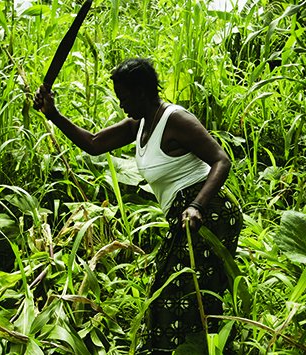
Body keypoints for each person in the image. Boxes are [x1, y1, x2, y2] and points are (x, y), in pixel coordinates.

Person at [34, 58, 242, 353]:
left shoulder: (175, 120)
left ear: (142, 92)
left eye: (124, 97)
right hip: (183, 215)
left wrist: (197, 205)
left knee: (185, 295)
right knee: (169, 294)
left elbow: (222, 160)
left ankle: (211, 347)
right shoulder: (140, 124)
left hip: (209, 212)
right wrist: (53, 114)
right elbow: (94, 143)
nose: (120, 104)